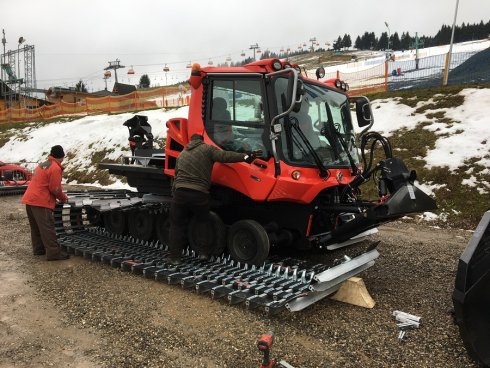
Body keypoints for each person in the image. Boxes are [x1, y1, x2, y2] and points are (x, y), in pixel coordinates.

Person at [167, 133, 261, 265]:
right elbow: (225, 156)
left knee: (176, 225)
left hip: (180, 194)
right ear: (202, 140)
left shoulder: (182, 154)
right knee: (203, 222)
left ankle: (175, 257)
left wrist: (175, 194)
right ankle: (203, 253)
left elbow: (176, 176)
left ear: (191, 141)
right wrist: (246, 156)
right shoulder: (207, 149)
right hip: (199, 194)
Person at [22, 145, 70, 261]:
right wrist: (63, 198)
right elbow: (55, 188)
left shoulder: (43, 165)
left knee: (36, 227)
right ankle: (54, 253)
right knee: (47, 228)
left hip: (30, 199)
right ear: (62, 157)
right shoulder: (55, 168)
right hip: (41, 202)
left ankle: (39, 250)